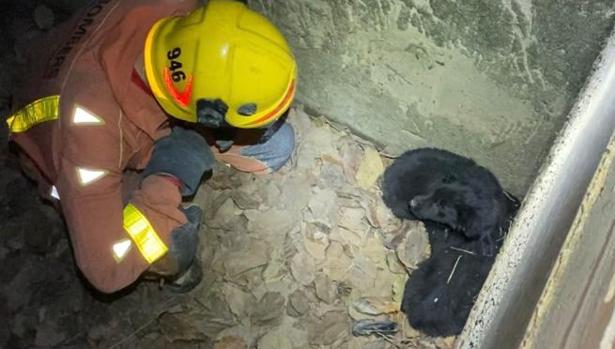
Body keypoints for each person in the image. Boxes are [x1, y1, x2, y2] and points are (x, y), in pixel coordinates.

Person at [5, 0, 297, 294]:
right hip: (68, 141)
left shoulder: (183, 15)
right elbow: (107, 269)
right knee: (171, 247)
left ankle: (180, 138)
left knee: (275, 146)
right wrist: (167, 179)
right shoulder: (87, 131)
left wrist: (190, 135)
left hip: (145, 90)